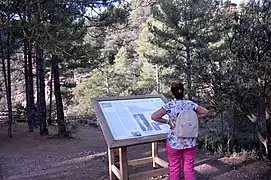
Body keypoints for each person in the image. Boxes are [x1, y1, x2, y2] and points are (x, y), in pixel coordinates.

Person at [151, 81, 209, 180]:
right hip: (190, 141)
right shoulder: (190, 104)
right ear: (183, 92)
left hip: (174, 141)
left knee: (174, 168)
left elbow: (154, 116)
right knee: (189, 168)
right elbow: (205, 112)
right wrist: (192, 119)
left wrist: (167, 121)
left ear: (172, 93)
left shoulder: (169, 106)